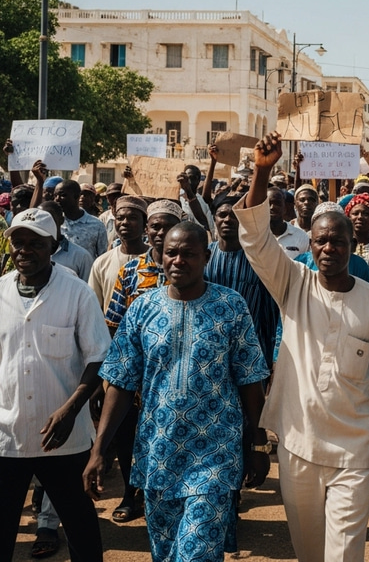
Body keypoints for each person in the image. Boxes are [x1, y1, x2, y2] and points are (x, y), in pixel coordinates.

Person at [235, 133, 369, 562]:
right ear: (310, 244)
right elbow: (254, 239)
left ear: (352, 246)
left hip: (355, 449)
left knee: (343, 554)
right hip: (297, 442)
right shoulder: (293, 283)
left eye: (338, 241)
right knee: (308, 551)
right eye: (321, 241)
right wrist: (263, 170)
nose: (329, 248)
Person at [84, 222, 269, 562]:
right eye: (171, 252)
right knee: (167, 554)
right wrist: (99, 450)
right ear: (160, 255)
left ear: (206, 258)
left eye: (189, 254)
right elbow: (121, 383)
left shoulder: (231, 305)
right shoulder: (141, 309)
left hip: (216, 454)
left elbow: (250, 380)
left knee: (197, 553)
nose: (178, 261)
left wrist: (257, 443)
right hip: (158, 453)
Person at [0, 208, 110, 562]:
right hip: (8, 437)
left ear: (54, 245)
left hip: (64, 439)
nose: (24, 251)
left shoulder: (77, 293)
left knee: (81, 530)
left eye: (35, 243)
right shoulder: (0, 292)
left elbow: (99, 356)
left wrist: (72, 408)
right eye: (18, 242)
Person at [104, 199, 183, 522]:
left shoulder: (187, 265)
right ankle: (130, 493)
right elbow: (113, 323)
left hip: (177, 376)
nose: (160, 232)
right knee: (128, 438)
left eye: (167, 226)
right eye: (155, 226)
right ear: (147, 230)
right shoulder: (131, 270)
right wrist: (114, 377)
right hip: (136, 378)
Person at [205, 196, 281, 376]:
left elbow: (270, 312)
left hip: (251, 352)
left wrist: (271, 357)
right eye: (222, 215)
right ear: (214, 219)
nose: (227, 220)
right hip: (208, 350)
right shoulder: (204, 256)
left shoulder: (258, 259)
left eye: (233, 215)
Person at [88, 195, 149, 313]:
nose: (125, 222)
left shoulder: (158, 260)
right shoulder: (102, 262)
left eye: (133, 218)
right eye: (120, 218)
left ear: (144, 223)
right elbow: (93, 308)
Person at [39, 200, 93, 281]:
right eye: (40, 220)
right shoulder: (30, 254)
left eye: (49, 219)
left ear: (61, 220)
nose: (44, 223)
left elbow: (87, 289)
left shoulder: (81, 256)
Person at [54, 179, 108, 260]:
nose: (57, 199)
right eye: (55, 195)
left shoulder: (97, 225)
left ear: (76, 196)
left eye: (63, 195)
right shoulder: (54, 222)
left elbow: (102, 257)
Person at [267, 186, 310, 259]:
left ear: (285, 208)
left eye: (277, 203)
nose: (272, 207)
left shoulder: (301, 237)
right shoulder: (257, 235)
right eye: (268, 203)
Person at [344, 192, 369, 259]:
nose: (360, 217)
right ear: (348, 218)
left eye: (366, 214)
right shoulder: (342, 245)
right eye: (355, 213)